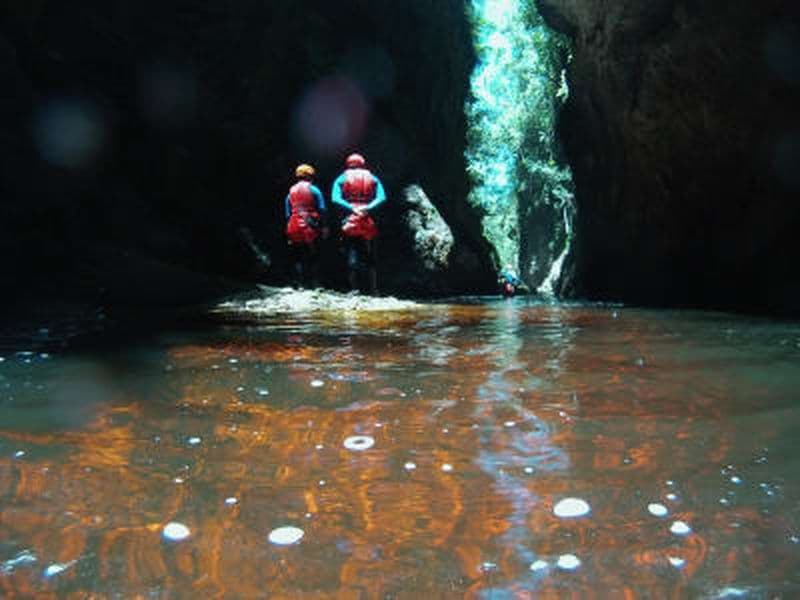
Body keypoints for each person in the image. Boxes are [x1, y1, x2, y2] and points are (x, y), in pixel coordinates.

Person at [331, 153, 387, 294]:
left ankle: (354, 288)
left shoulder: (342, 178)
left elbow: (335, 198)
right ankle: (374, 289)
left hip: (350, 218)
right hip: (367, 218)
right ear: (363, 163)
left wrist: (351, 208)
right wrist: (368, 207)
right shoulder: (372, 177)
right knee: (370, 252)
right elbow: (382, 197)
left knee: (350, 252)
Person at [285, 163, 327, 287]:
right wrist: (324, 226)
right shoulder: (314, 189)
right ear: (310, 176)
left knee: (298, 255)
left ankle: (300, 284)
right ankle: (315, 284)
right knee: (314, 254)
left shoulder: (290, 192)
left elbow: (288, 214)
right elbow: (322, 209)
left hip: (293, 226)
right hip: (310, 226)